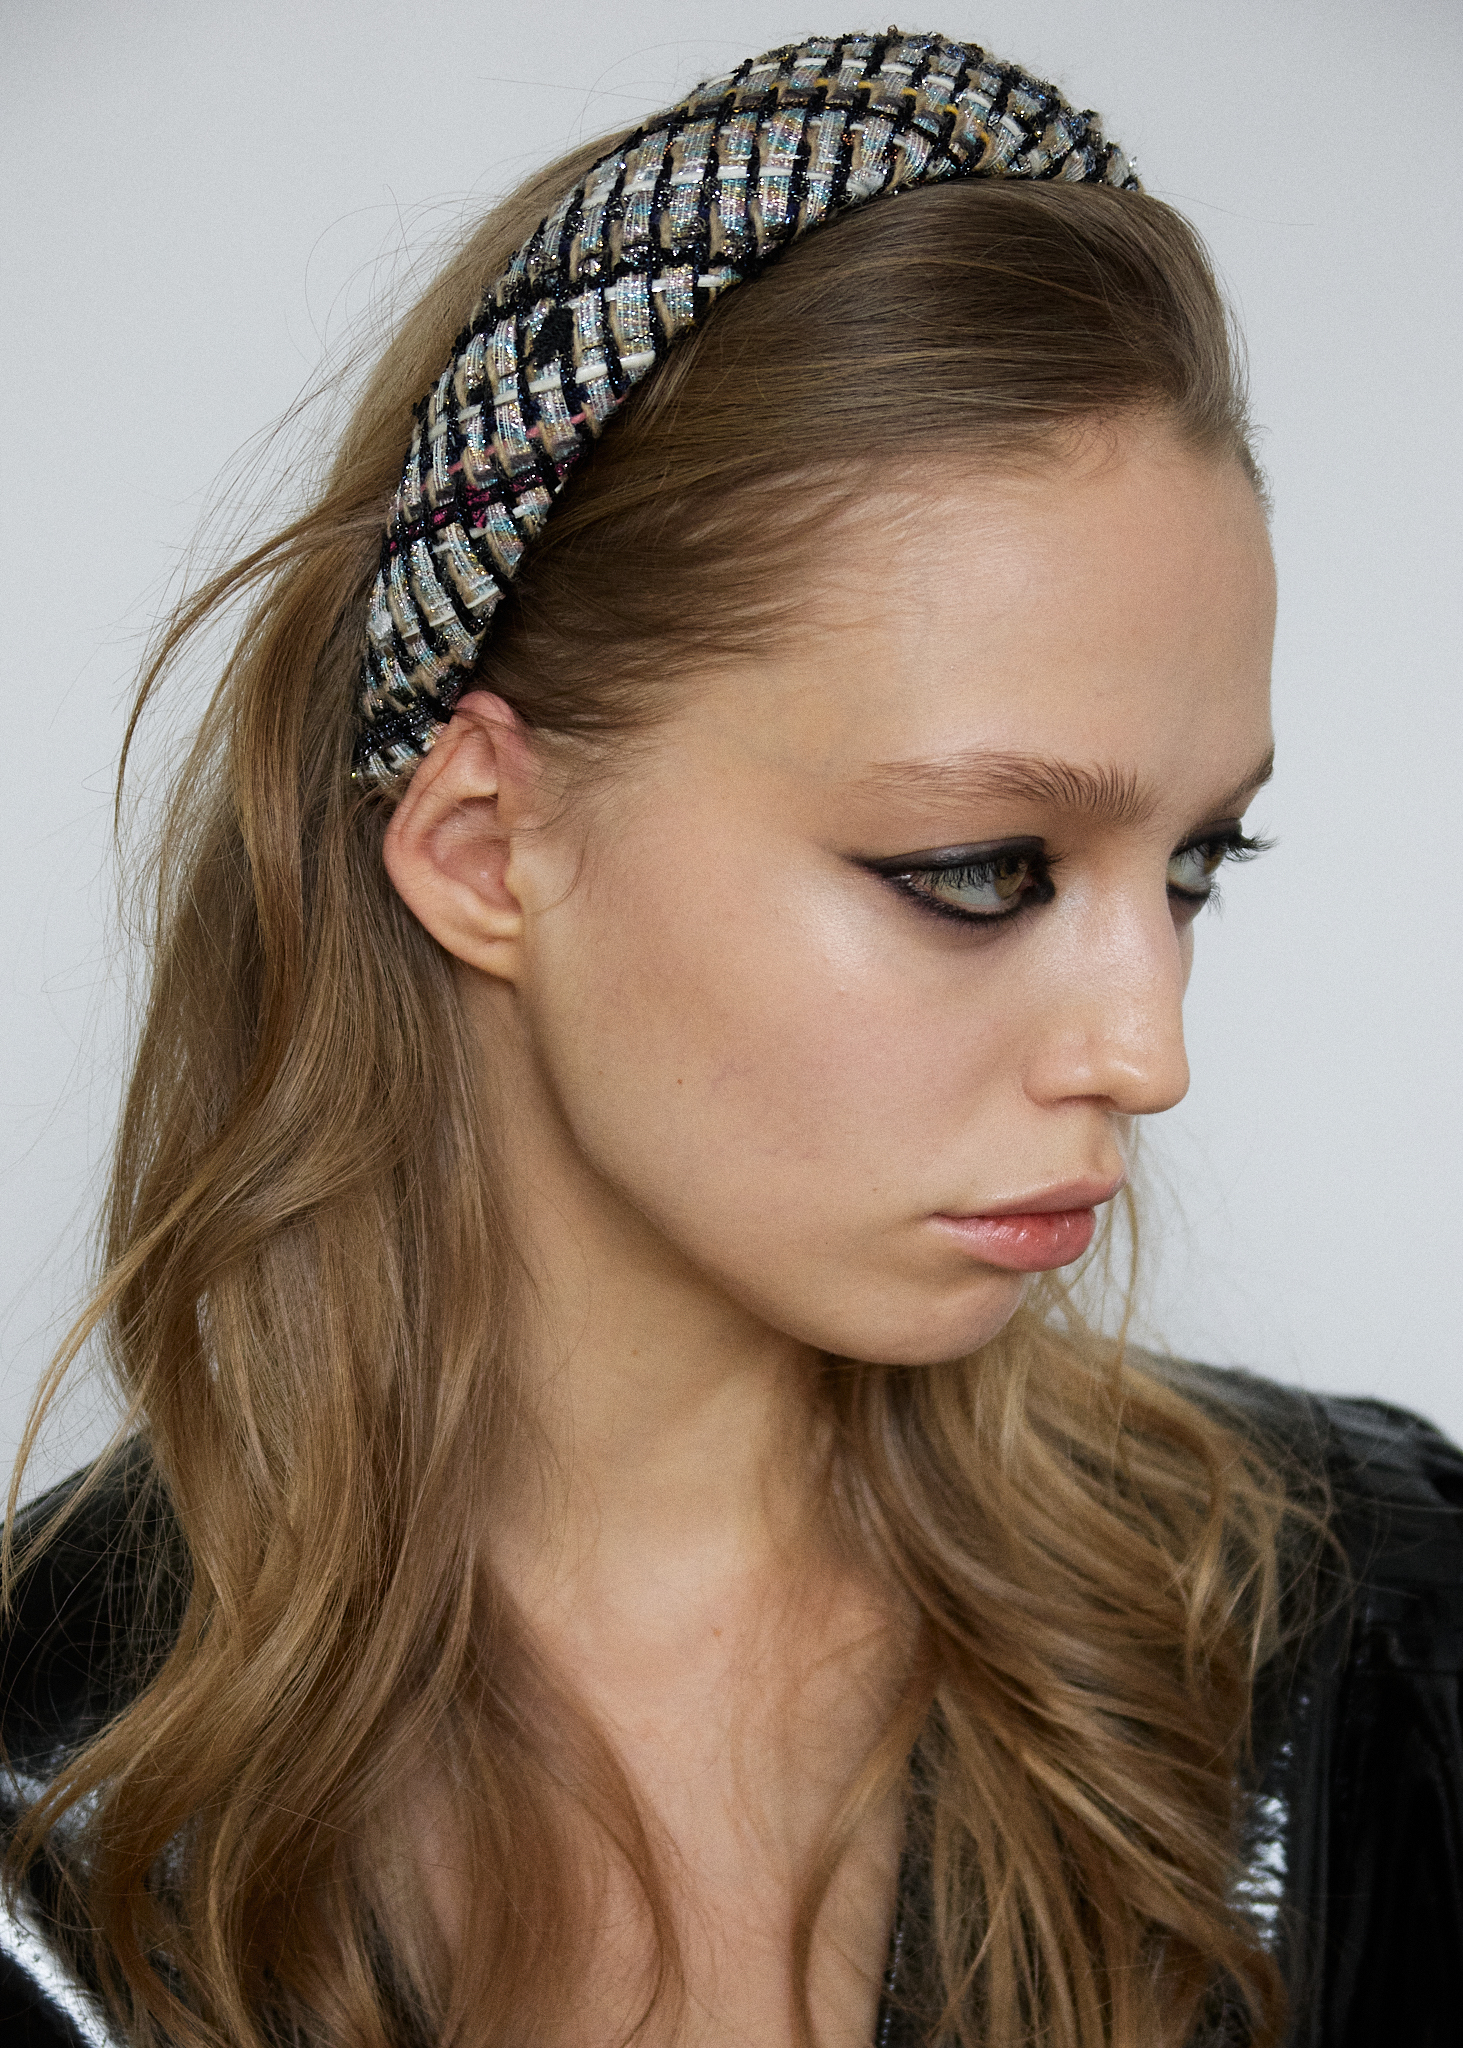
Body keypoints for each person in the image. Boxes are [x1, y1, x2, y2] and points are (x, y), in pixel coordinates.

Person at [1, 27, 1459, 2048]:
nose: (1148, 1051)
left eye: (1194, 865)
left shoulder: (1370, 1635)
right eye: (981, 869)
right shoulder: (44, 1785)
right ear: (488, 847)